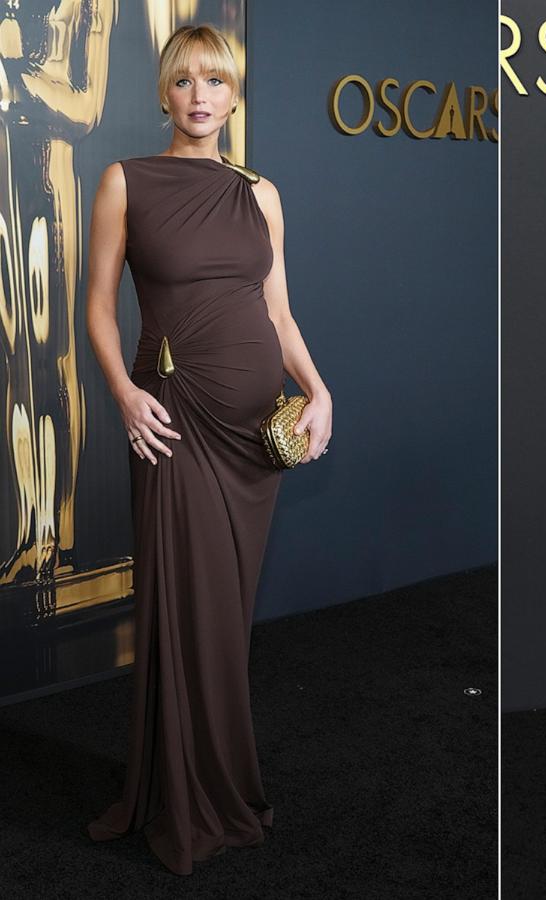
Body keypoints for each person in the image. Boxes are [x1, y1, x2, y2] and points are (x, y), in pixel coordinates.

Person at [82, 25, 332, 874]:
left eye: (216, 81)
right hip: (177, 422)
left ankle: (218, 781)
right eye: (184, 79)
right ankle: (184, 800)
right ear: (164, 92)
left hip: (257, 431)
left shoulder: (260, 192)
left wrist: (321, 390)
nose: (200, 95)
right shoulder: (126, 182)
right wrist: (125, 393)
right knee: (185, 610)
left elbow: (280, 315)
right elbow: (94, 309)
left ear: (235, 96)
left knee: (224, 618)